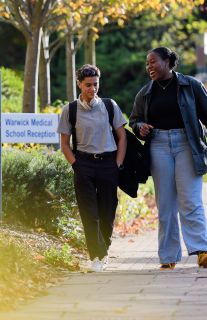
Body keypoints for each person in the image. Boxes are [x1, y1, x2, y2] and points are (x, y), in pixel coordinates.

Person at [129, 47, 207, 270]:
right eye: (147, 63)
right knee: (166, 203)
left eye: (153, 62)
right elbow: (135, 120)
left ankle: (203, 251)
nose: (149, 66)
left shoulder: (192, 86)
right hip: (158, 146)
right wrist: (140, 127)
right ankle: (168, 256)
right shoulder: (144, 93)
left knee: (190, 200)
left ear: (168, 62)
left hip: (187, 145)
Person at [57, 64, 128, 273]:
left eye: (95, 84)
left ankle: (104, 252)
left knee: (107, 211)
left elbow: (122, 137)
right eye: (88, 85)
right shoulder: (69, 110)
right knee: (89, 213)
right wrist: (76, 165)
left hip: (108, 163)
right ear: (79, 84)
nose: (92, 89)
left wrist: (118, 163)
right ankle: (96, 256)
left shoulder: (110, 105)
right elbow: (64, 144)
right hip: (84, 164)